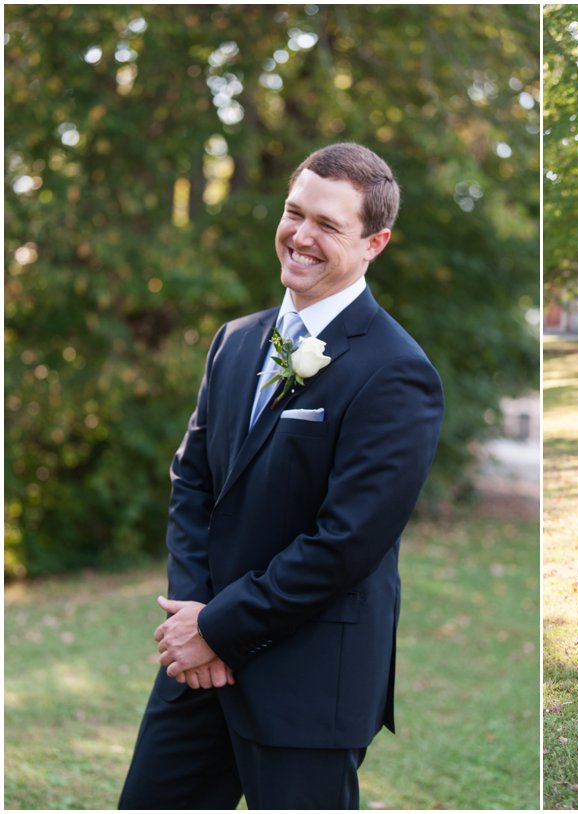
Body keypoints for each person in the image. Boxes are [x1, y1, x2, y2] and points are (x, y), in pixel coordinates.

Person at [118, 142, 444, 808]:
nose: (300, 236)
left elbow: (345, 543)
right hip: (197, 664)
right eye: (295, 213)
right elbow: (193, 483)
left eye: (328, 225)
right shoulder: (235, 341)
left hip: (308, 678)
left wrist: (219, 627)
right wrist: (194, 616)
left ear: (375, 243)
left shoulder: (397, 372)